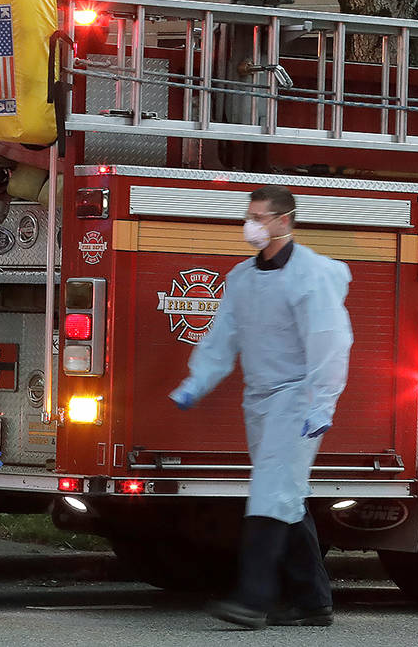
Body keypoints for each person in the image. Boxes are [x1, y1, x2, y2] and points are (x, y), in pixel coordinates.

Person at [169, 184, 353, 630]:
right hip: (262, 399)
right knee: (286, 496)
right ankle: (313, 602)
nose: (250, 225)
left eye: (259, 216)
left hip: (298, 397)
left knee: (271, 492)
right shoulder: (243, 278)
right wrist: (198, 381)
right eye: (248, 215)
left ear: (284, 221)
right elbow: (223, 335)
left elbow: (329, 342)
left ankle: (252, 600)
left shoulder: (311, 277)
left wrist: (322, 402)